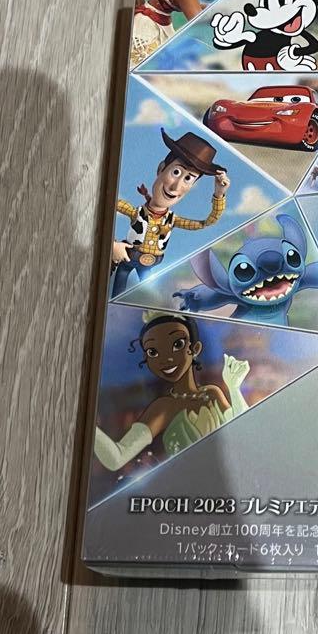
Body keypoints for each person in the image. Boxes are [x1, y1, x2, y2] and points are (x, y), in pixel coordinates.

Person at [93, 313, 250, 469]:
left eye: (177, 344)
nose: (166, 358)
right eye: (153, 352)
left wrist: (234, 388)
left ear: (195, 348)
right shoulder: (163, 408)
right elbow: (117, 458)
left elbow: (244, 433)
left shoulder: (212, 394)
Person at [110, 130, 229, 298]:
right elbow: (105, 201)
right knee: (117, 292)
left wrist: (219, 194)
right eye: (176, 172)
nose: (175, 187)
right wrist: (113, 245)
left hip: (150, 266)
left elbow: (207, 222)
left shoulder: (173, 220)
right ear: (161, 169)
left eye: (188, 179)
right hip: (128, 258)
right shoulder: (136, 212)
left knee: (149, 297)